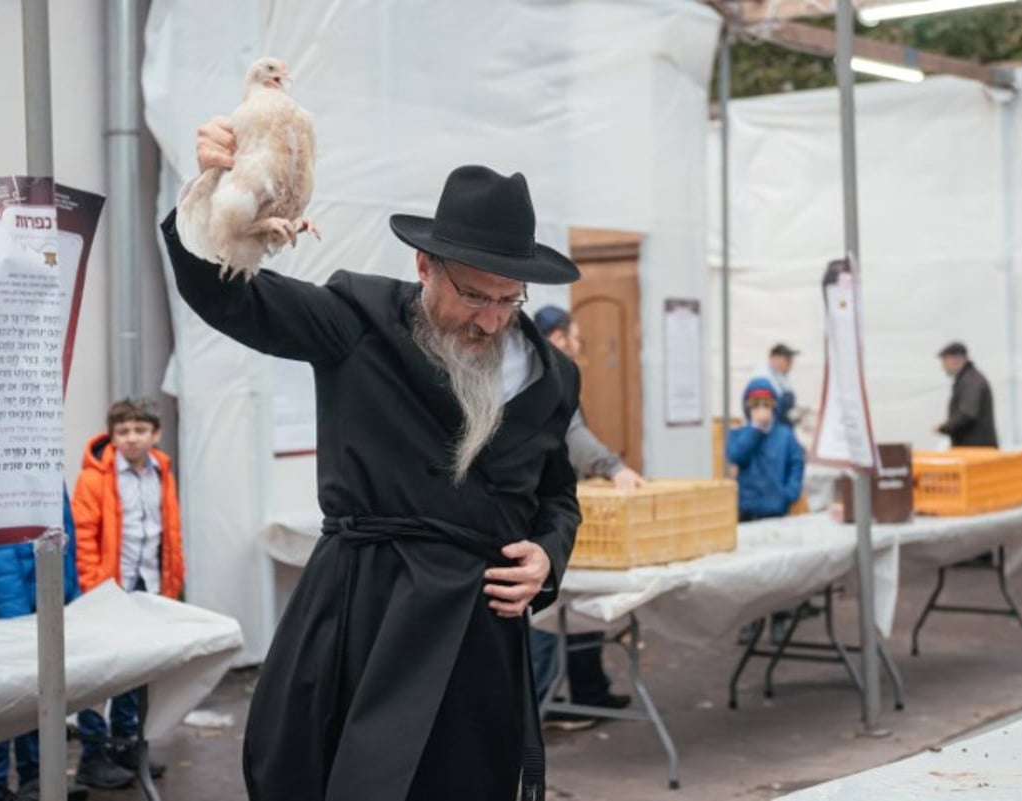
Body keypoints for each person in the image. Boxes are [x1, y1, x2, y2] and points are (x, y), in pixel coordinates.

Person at [165, 119, 581, 801]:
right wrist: (214, 190)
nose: (491, 318)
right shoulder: (357, 320)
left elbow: (557, 497)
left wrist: (546, 557)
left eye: (510, 299)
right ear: (424, 266)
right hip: (366, 612)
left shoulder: (552, 376)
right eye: (475, 294)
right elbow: (228, 294)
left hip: (479, 628)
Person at [528, 305, 637, 730]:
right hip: (540, 517)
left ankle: (590, 692)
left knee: (574, 606)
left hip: (553, 511)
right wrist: (614, 467)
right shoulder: (548, 376)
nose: (578, 346)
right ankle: (538, 709)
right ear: (557, 338)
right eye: (574, 337)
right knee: (545, 612)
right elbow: (574, 435)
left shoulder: (536, 369)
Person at [72, 398, 184, 790]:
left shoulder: (162, 471)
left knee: (138, 670)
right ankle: (92, 755)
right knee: (100, 673)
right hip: (109, 587)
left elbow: (169, 530)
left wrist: (173, 580)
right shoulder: (95, 478)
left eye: (140, 431)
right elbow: (83, 537)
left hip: (149, 582)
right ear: (112, 436)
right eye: (123, 432)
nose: (132, 439)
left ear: (156, 434)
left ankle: (126, 747)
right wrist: (93, 587)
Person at [0, 491, 88, 801]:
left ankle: (35, 777)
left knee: (40, 691)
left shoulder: (44, 458)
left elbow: (65, 531)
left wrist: (68, 590)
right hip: (17, 608)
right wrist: (14, 613)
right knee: (7, 698)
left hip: (47, 598)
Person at [727, 379, 805, 644]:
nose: (761, 410)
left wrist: (790, 492)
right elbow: (736, 455)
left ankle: (779, 619)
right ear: (748, 408)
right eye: (755, 405)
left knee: (779, 570)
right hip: (748, 512)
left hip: (775, 511)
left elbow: (797, 462)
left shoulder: (784, 435)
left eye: (767, 405)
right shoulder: (741, 434)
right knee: (750, 572)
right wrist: (755, 431)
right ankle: (750, 620)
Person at [936, 341, 998, 447]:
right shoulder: (966, 379)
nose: (943, 365)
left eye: (945, 360)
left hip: (977, 451)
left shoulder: (971, 380)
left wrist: (946, 427)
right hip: (972, 450)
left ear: (957, 359)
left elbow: (968, 414)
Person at [752, 343, 800, 427]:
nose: (791, 363)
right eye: (787, 360)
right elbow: (761, 416)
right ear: (774, 359)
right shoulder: (762, 377)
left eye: (791, 360)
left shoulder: (782, 376)